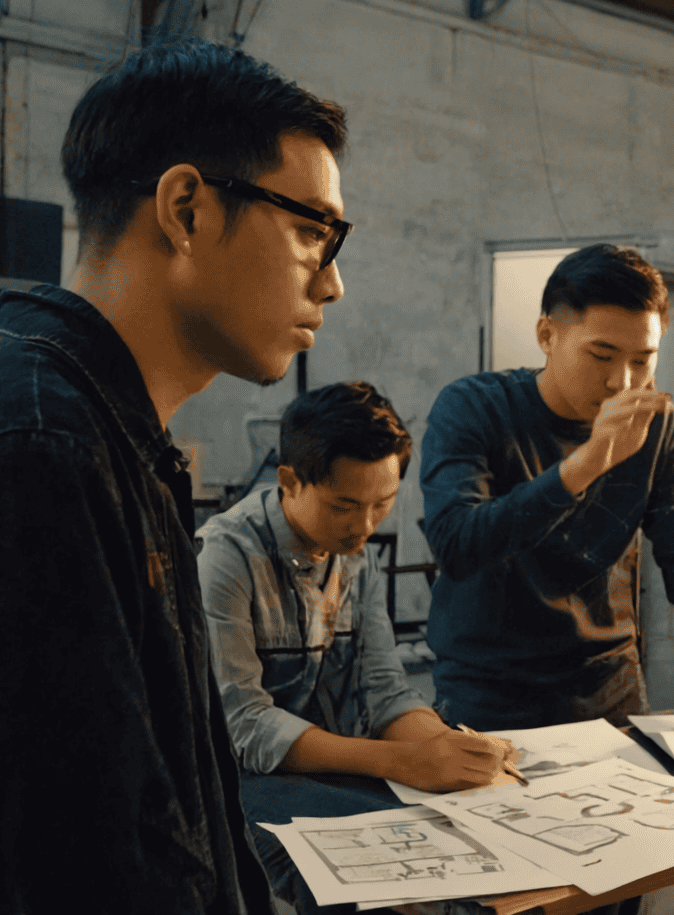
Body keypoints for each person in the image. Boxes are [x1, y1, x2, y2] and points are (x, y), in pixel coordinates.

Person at [0, 40, 350, 911]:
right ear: (187, 208)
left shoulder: (99, 432)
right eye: (314, 230)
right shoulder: (35, 454)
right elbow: (79, 874)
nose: (335, 281)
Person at [422, 244, 674, 730]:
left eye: (644, 360)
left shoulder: (658, 427)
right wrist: (587, 463)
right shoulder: (473, 408)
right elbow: (457, 544)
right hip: (488, 698)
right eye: (602, 355)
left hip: (611, 695)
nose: (623, 381)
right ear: (546, 334)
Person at [199, 380, 515, 915]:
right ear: (290, 480)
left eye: (383, 504)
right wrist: (406, 761)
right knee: (360, 886)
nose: (364, 527)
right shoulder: (224, 556)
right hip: (240, 781)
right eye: (344, 506)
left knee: (472, 860)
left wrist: (446, 748)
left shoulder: (354, 554)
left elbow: (385, 688)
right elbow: (245, 725)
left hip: (334, 770)